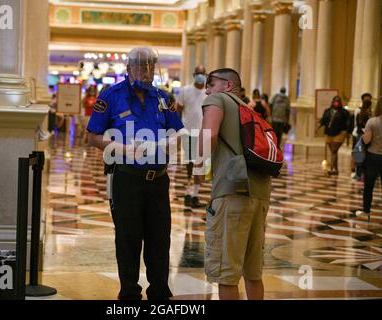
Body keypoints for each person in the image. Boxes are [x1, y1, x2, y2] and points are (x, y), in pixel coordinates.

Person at [86, 47, 184, 300]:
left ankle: (160, 290)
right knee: (128, 238)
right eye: (141, 66)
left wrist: (172, 143)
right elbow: (93, 136)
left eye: (151, 66)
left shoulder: (163, 98)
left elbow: (178, 133)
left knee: (160, 238)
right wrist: (124, 149)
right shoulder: (111, 96)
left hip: (159, 179)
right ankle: (129, 291)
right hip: (126, 178)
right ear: (129, 68)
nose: (147, 71)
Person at [193, 68, 271, 300]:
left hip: (232, 193)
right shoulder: (250, 110)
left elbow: (209, 135)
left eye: (211, 83)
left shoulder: (217, 100)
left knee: (226, 273)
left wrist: (196, 156)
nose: (206, 89)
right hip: (259, 193)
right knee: (253, 273)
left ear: (228, 85)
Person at [176, 65, 207, 208]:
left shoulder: (208, 93)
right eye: (198, 73)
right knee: (190, 165)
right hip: (188, 133)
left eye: (203, 74)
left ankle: (194, 195)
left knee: (200, 165)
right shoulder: (185, 91)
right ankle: (189, 193)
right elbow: (178, 111)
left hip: (203, 134)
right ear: (194, 75)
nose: (200, 76)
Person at [356, 97, 382, 218]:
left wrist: (364, 132)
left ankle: (366, 212)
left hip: (373, 157)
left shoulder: (372, 121)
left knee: (369, 186)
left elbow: (366, 141)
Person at [316, 96, 351, 176]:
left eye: (338, 101)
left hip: (339, 134)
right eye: (335, 101)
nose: (336, 103)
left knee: (334, 150)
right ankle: (336, 169)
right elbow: (323, 120)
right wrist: (318, 127)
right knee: (333, 152)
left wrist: (347, 133)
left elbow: (348, 123)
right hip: (328, 133)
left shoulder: (344, 112)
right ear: (332, 102)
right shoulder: (327, 111)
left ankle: (332, 169)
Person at [352, 93, 372, 180]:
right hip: (366, 135)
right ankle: (363, 174)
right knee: (366, 155)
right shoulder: (369, 115)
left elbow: (357, 125)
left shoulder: (359, 113)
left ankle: (358, 174)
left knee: (359, 154)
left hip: (359, 135)